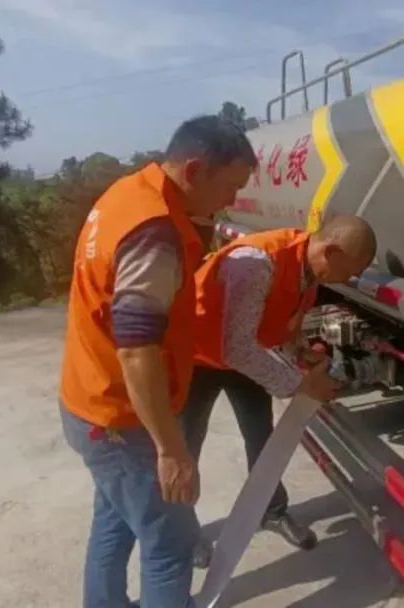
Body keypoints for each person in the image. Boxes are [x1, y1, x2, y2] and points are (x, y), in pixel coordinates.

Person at [58, 116, 256, 608]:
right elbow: (136, 348)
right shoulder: (155, 232)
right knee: (170, 544)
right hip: (122, 420)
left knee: (114, 522)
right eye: (230, 187)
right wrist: (171, 451)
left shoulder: (127, 194)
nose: (231, 201)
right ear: (194, 171)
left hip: (90, 403)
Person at [183, 215, 377, 559]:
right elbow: (236, 347)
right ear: (331, 252)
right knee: (185, 448)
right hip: (198, 355)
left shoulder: (310, 271)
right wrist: (300, 385)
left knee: (263, 438)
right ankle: (180, 532)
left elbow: (280, 326)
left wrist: (300, 353)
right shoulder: (258, 264)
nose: (352, 278)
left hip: (244, 355)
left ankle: (271, 511)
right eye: (352, 269)